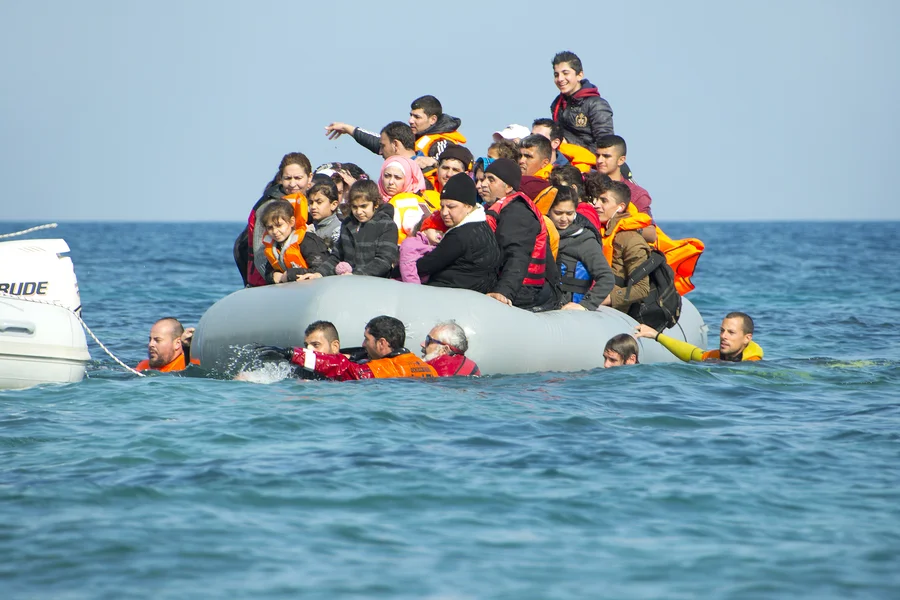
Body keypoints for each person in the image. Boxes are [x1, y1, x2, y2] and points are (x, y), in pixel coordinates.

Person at [481, 158, 561, 311]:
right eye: (483, 179)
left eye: (491, 180)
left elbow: (518, 255)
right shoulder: (495, 209)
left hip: (525, 291)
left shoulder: (517, 212)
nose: (483, 184)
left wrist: (503, 292)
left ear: (508, 186)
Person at [260, 315, 437, 380]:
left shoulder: (385, 369)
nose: (363, 344)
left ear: (382, 343)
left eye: (367, 339)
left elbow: (345, 370)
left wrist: (292, 354)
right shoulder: (426, 367)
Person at [233, 152, 313, 287]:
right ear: (281, 178)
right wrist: (275, 277)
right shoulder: (269, 207)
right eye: (288, 178)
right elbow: (260, 254)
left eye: (298, 178)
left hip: (300, 275)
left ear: (309, 177)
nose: (293, 184)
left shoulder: (312, 202)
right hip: (268, 281)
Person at [415, 173, 501, 293]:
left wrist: (396, 269)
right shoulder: (483, 226)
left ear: (468, 207)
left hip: (451, 295)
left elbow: (427, 265)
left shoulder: (460, 235)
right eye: (442, 207)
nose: (444, 212)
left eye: (451, 207)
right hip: (470, 294)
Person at [325, 95, 466, 162]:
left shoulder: (442, 143)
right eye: (410, 115)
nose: (410, 121)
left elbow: (448, 168)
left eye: (417, 117)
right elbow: (384, 144)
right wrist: (348, 129)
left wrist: (433, 163)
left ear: (433, 119)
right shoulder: (416, 136)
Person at [307, 180, 399, 278]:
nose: (359, 212)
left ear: (375, 204)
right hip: (349, 281)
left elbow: (384, 261)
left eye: (363, 206)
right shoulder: (347, 224)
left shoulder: (387, 226)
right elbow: (337, 256)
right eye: (355, 207)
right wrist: (319, 274)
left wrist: (356, 275)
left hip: (377, 283)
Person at [546, 187, 614, 311]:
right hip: (540, 305)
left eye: (569, 213)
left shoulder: (584, 239)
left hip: (565, 310)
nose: (564, 219)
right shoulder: (539, 232)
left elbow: (606, 277)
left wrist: (585, 305)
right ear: (549, 210)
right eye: (558, 213)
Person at [593, 181, 653, 314]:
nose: (596, 205)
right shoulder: (595, 232)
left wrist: (606, 299)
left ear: (620, 207)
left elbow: (642, 289)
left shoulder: (631, 240)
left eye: (604, 201)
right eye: (595, 200)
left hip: (613, 310)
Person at [594, 134, 656, 243]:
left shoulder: (636, 194)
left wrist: (623, 224)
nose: (600, 160)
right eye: (597, 155)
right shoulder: (586, 184)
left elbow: (651, 234)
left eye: (606, 156)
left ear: (621, 160)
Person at [550, 51, 614, 151]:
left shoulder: (596, 105)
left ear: (579, 75)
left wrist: (571, 147)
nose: (560, 79)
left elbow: (606, 145)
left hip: (589, 159)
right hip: (563, 157)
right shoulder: (557, 104)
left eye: (565, 73)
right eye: (556, 75)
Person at [635, 313, 764, 362]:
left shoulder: (752, 366)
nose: (723, 336)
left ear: (747, 338)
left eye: (731, 332)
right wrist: (656, 335)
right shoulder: (716, 357)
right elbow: (692, 353)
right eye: (722, 330)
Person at [258, 200, 329, 284]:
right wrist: (272, 276)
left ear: (291, 222)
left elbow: (321, 269)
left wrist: (289, 275)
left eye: (279, 225)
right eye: (270, 228)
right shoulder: (275, 247)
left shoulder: (307, 241)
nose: (275, 231)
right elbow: (268, 272)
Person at [377, 155, 429, 243]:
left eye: (397, 177)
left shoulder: (415, 202)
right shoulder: (373, 200)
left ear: (408, 179)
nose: (391, 182)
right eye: (387, 176)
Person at [532, 118, 596, 173]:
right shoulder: (526, 168)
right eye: (531, 136)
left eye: (539, 137)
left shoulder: (573, 173)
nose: (532, 141)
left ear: (555, 143)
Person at [517, 134, 555, 201]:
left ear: (544, 163)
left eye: (528, 156)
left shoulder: (529, 187)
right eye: (520, 156)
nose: (521, 161)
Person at [306, 181, 342, 251]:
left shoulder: (337, 231)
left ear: (333, 205)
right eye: (311, 202)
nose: (313, 207)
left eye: (319, 202)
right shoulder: (309, 226)